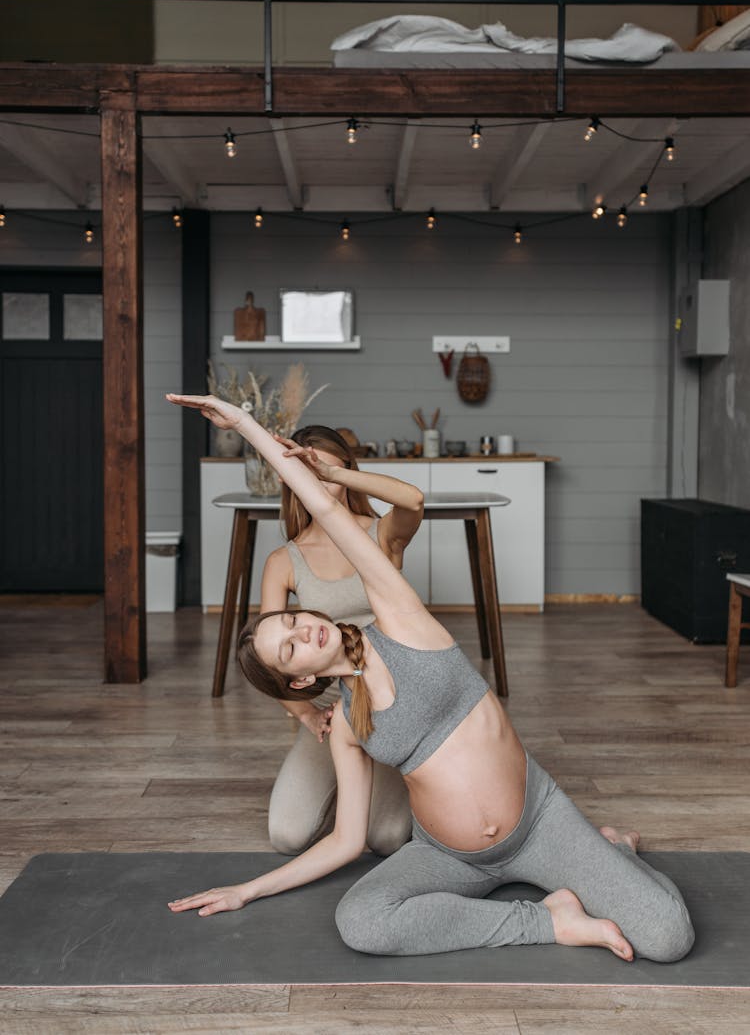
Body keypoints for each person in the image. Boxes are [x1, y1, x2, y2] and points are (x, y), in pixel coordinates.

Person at [167, 393, 695, 964]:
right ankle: (549, 920)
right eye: (288, 648)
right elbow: (346, 842)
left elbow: (328, 512)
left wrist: (246, 424)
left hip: (538, 824)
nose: (302, 633)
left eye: (295, 620)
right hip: (450, 856)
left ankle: (611, 852)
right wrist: (246, 890)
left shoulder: (400, 620)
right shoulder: (344, 722)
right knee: (360, 920)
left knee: (669, 937)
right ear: (297, 682)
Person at [260, 423, 420, 857]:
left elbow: (413, 500)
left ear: (347, 471)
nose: (318, 479)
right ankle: (347, 787)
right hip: (335, 708)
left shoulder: (381, 535)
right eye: (308, 471)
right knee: (287, 835)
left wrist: (335, 475)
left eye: (327, 469)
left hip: (390, 698)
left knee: (387, 839)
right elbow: (270, 662)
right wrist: (307, 715)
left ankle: (369, 789)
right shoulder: (283, 561)